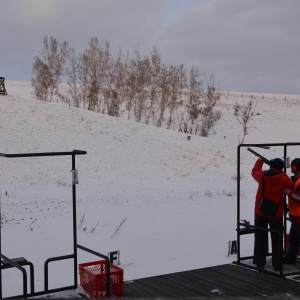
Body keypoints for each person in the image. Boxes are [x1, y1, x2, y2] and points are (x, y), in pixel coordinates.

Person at [252, 157, 294, 271]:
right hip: (276, 213)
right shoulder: (283, 178)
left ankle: (260, 263)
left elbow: (254, 171)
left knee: (260, 237)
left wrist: (260, 160)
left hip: (260, 210)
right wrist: (283, 174)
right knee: (277, 238)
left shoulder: (262, 175)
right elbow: (291, 184)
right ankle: (277, 264)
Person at [282, 158, 300, 265]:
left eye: (293, 167)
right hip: (295, 215)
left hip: (298, 216)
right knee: (294, 238)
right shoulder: (296, 180)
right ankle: (290, 259)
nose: (292, 169)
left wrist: (290, 193)